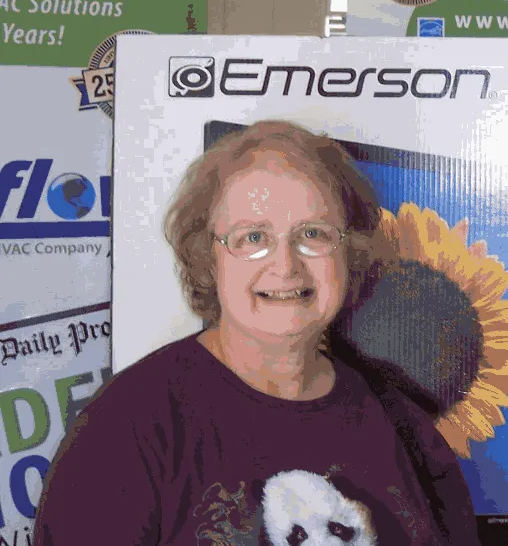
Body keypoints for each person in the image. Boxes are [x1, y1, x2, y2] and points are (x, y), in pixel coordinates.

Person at [34, 120, 481, 546]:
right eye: (252, 238)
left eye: (313, 233)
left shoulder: (405, 427)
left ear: (350, 253)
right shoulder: (128, 429)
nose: (285, 265)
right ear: (208, 259)